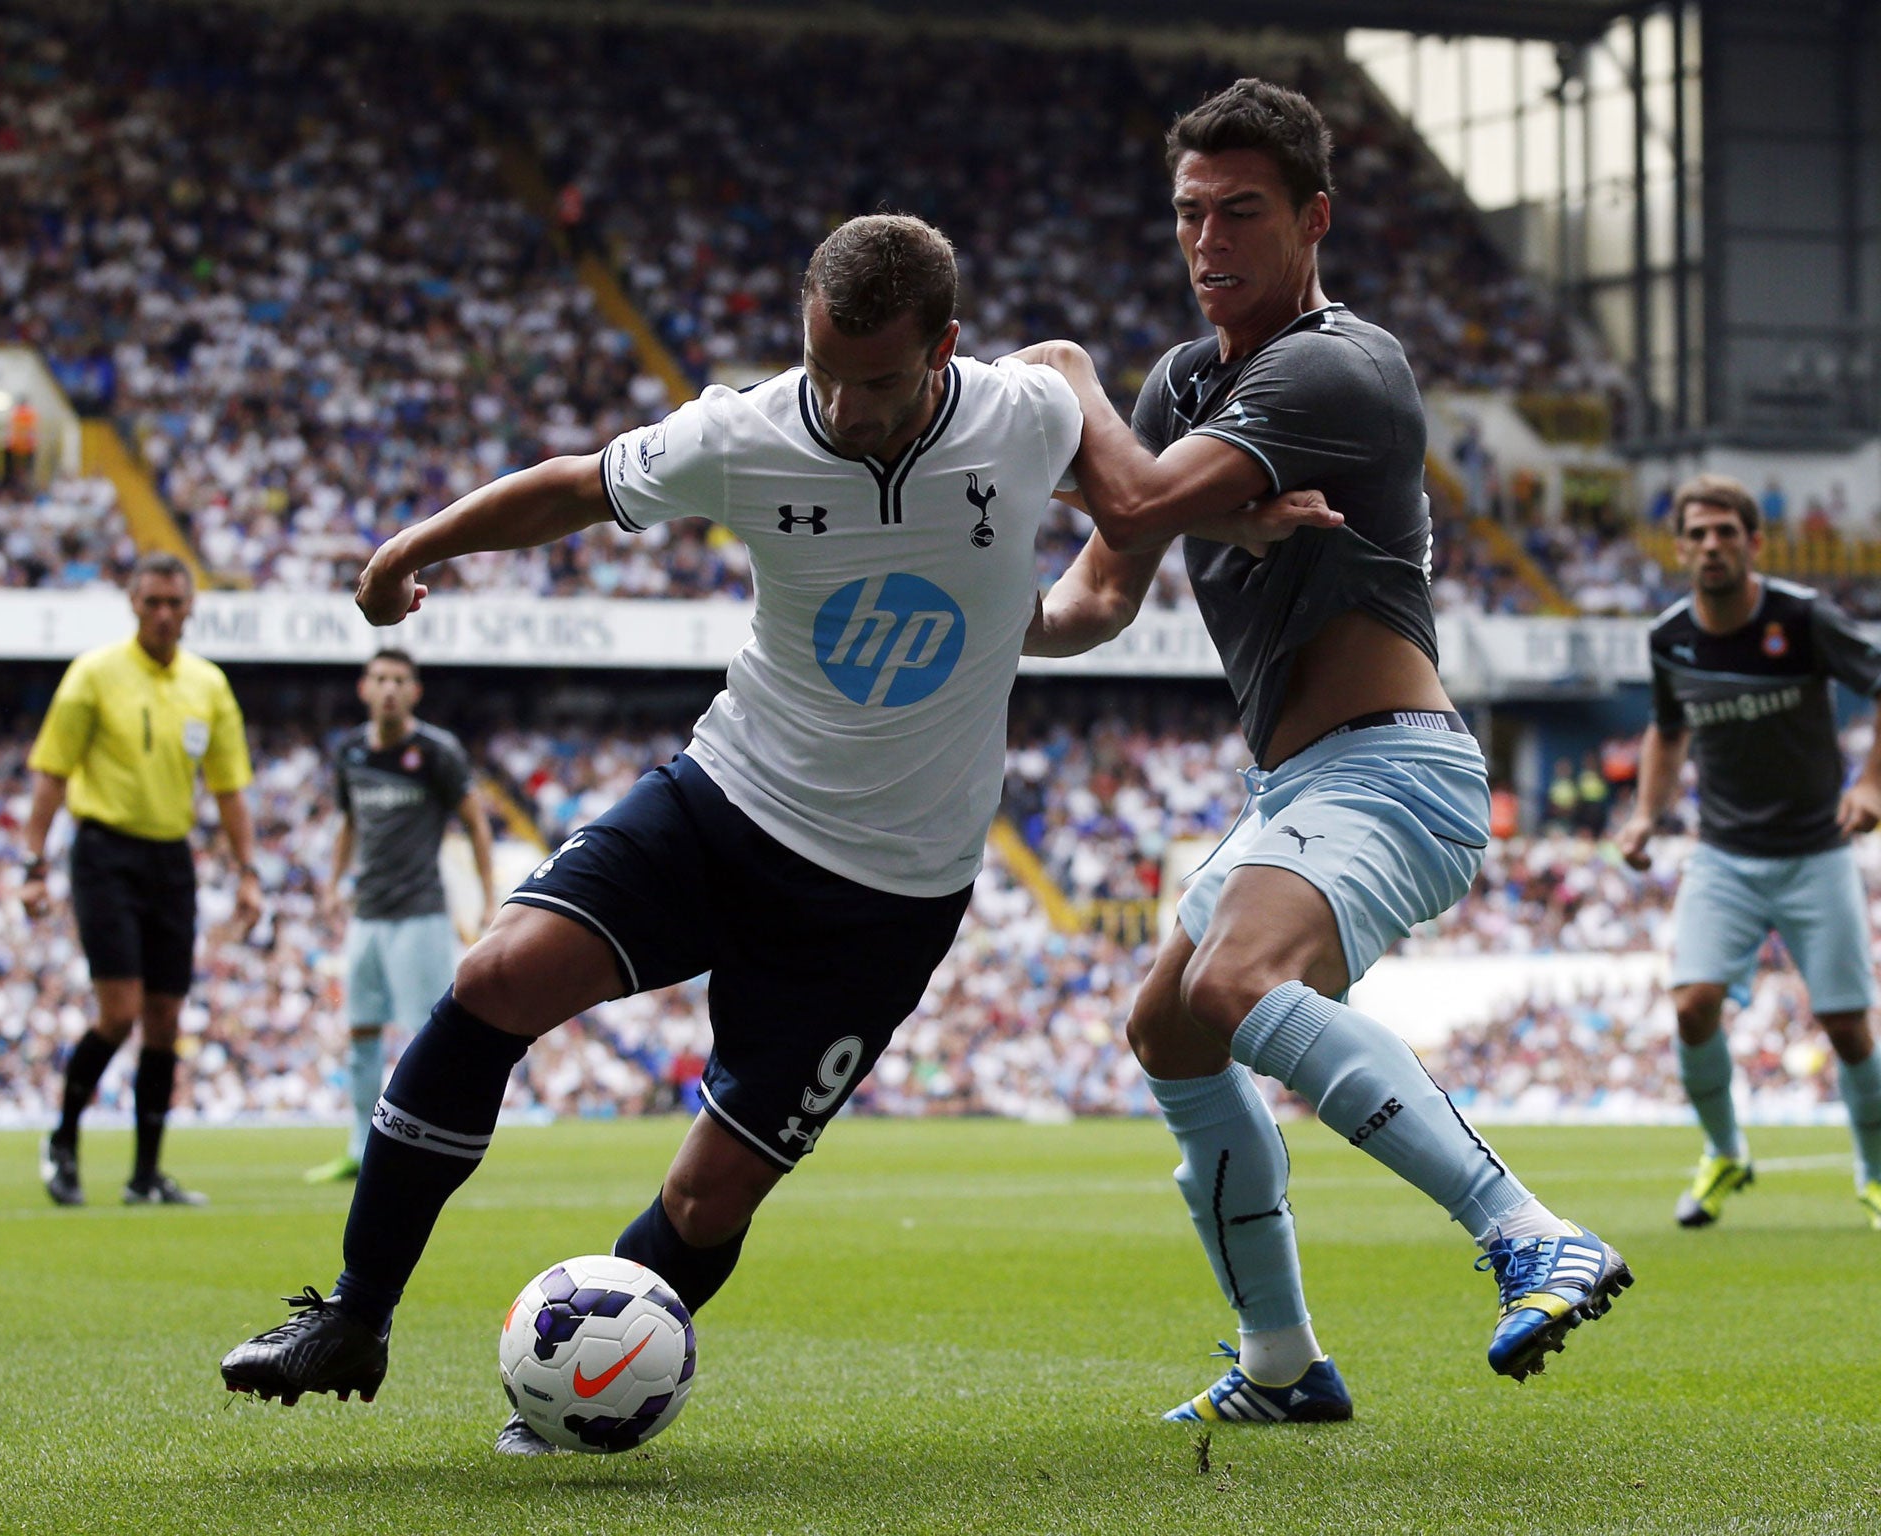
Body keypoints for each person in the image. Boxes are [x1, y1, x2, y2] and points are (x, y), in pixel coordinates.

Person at [216, 214, 1331, 1446]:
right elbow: (576, 488)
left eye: (879, 381)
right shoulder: (744, 432)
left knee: (707, 1200)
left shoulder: (1021, 415)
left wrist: (1208, 534)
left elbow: (1121, 510)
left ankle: (586, 1395)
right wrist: (411, 549)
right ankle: (353, 1313)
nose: (846, 409)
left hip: (888, 894)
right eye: (823, 373)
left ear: (945, 348)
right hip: (724, 800)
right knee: (493, 979)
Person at [1019, 78, 1630, 1425]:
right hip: (1294, 785)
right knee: (1166, 1027)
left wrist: (1066, 391)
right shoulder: (1186, 381)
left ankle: (1525, 1229)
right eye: (1190, 214)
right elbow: (1101, 594)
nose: (1208, 241)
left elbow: (1132, 493)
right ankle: (1283, 1363)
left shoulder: (1335, 368)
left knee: (1237, 979)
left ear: (1315, 221)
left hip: (1394, 768)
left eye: (1242, 211)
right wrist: (981, 621)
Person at [1617, 474, 1881, 1230]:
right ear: (1679, 549)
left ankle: (1875, 1170)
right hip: (1724, 853)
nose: (1711, 546)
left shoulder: (1802, 618)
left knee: (1846, 1027)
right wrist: (1643, 816)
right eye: (1696, 534)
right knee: (1693, 1005)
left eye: (1725, 532)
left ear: (1753, 542)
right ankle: (1725, 1151)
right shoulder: (1670, 636)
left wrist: (1870, 790)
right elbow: (1668, 730)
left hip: (1816, 850)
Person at [23, 552, 262, 1206]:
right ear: (133, 604)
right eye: (152, 601)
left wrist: (248, 873)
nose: (162, 614)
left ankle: (145, 1174)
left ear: (190, 609)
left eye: (173, 603)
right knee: (120, 1012)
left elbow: (229, 788)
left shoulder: (208, 686)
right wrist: (33, 863)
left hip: (170, 858)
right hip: (104, 852)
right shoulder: (93, 675)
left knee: (165, 1017)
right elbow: (52, 770)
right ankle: (64, 1139)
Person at [305, 649, 498, 1184]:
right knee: (361, 1032)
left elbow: (476, 824)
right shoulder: (350, 754)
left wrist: (487, 896)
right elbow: (348, 823)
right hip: (367, 914)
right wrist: (331, 883)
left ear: (414, 691)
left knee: (424, 1036)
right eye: (380, 679)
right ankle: (359, 1148)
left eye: (399, 680)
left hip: (420, 915)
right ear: (364, 688)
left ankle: (432, 1148)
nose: (389, 688)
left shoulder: (436, 751)